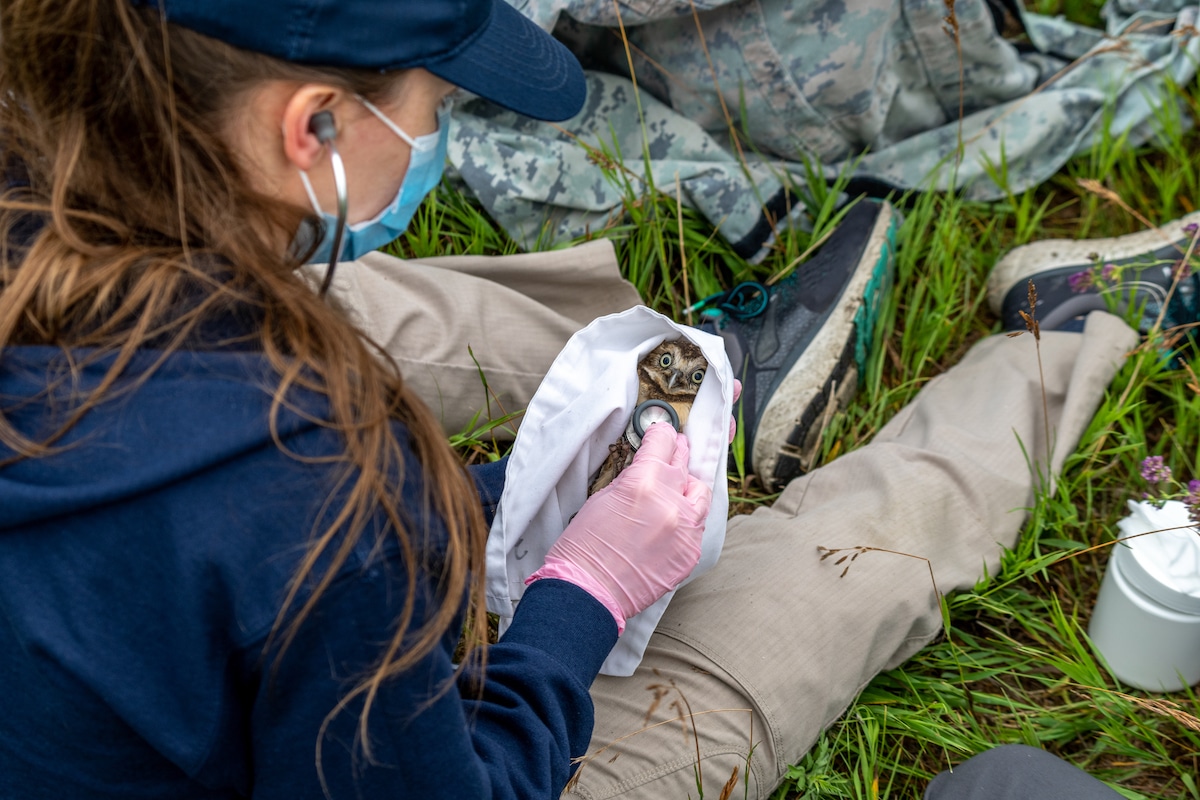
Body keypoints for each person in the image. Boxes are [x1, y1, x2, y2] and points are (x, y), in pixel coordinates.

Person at [0, 1, 1179, 799]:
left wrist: (487, 496)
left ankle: (711, 366)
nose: (437, 132)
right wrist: (583, 594)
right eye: (435, 104)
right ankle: (1068, 333)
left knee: (367, 307)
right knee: (789, 605)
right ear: (308, 122)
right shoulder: (314, 494)